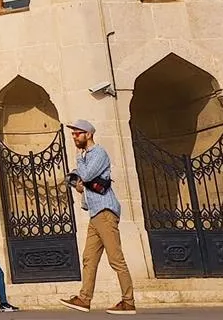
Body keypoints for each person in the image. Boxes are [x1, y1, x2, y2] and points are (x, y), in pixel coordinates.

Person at [60, 119, 134, 315]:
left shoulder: (98, 153)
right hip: (95, 214)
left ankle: (128, 301)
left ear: (88, 134)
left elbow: (86, 174)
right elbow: (80, 182)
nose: (74, 137)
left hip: (105, 212)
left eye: (77, 133)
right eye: (73, 134)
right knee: (88, 258)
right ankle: (84, 299)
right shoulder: (85, 156)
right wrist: (78, 185)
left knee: (116, 259)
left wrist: (78, 165)